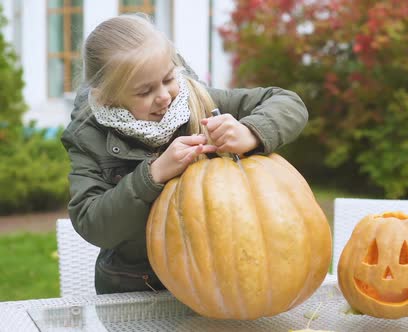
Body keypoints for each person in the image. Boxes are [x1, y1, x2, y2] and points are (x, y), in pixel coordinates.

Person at [61, 14, 308, 294]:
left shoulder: (197, 100)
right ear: (107, 96)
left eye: (168, 78)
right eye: (145, 91)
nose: (164, 96)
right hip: (138, 286)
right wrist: (152, 174)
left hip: (220, 280)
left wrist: (250, 132)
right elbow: (92, 223)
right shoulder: (88, 136)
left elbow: (288, 102)